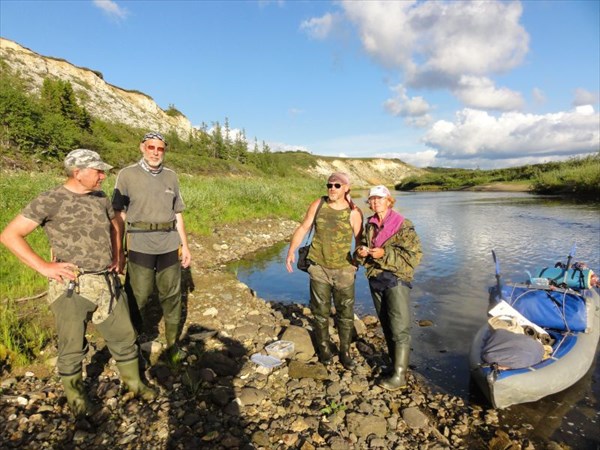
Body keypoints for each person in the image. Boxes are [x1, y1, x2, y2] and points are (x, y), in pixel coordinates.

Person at [0, 149, 156, 426]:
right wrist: (44, 267)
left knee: (123, 335)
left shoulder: (100, 198)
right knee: (71, 347)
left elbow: (115, 224)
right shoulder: (50, 199)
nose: (102, 175)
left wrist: (118, 255)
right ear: (77, 172)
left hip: (106, 283)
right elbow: (11, 235)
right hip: (71, 285)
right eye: (97, 171)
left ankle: (135, 385)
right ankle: (77, 401)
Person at [112, 132, 191, 363]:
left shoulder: (171, 176)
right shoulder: (127, 175)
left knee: (173, 294)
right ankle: (132, 345)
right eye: (151, 148)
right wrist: (119, 252)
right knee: (139, 295)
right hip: (139, 243)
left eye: (160, 149)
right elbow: (119, 215)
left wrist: (185, 246)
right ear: (142, 148)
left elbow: (178, 214)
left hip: (169, 243)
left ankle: (173, 346)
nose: (156, 152)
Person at [285, 173, 363, 369]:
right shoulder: (318, 204)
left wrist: (358, 261)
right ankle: (324, 348)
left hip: (344, 270)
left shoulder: (354, 212)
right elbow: (304, 227)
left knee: (345, 314)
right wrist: (291, 250)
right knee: (320, 312)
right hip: (318, 267)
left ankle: (345, 352)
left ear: (346, 188)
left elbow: (360, 240)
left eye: (337, 185)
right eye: (330, 185)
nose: (332, 188)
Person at [355, 185, 422, 390]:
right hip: (376, 279)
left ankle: (400, 377)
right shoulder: (371, 224)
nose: (375, 202)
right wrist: (361, 252)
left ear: (388, 201)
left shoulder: (403, 225)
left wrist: (383, 254)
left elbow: (414, 257)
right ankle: (395, 366)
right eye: (372, 199)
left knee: (399, 328)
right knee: (386, 324)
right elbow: (364, 246)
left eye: (379, 199)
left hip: (396, 279)